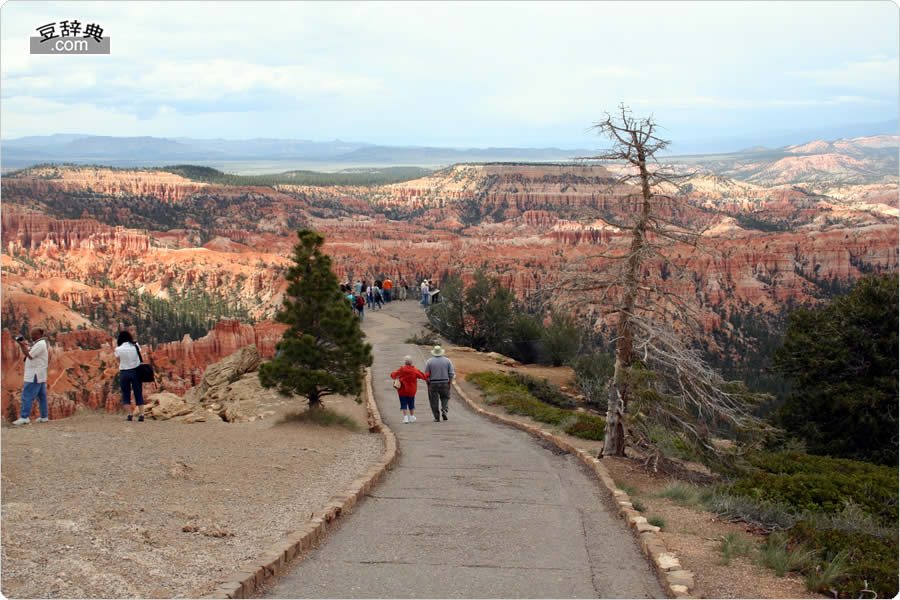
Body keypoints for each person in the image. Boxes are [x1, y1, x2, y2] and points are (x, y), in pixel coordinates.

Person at [13, 328, 50, 425]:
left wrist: (21, 345)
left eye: (33, 335)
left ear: (38, 335)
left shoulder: (40, 344)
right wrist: (23, 345)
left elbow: (29, 355)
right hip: (39, 374)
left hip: (35, 374)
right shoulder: (39, 344)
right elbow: (28, 351)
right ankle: (44, 416)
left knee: (27, 394)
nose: (31, 336)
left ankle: (24, 417)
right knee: (42, 396)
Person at [115, 331, 146, 422]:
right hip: (136, 371)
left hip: (124, 372)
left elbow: (118, 360)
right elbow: (139, 355)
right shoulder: (136, 345)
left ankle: (129, 414)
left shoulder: (118, 349)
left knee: (125, 393)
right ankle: (141, 414)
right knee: (138, 392)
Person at [390, 356, 428, 424]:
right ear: (411, 362)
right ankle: (412, 416)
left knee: (403, 403)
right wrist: (429, 373)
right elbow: (424, 376)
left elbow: (393, 375)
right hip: (411, 390)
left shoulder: (401, 369)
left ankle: (405, 418)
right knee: (411, 402)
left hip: (402, 390)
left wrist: (392, 374)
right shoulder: (415, 370)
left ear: (405, 363)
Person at [424, 345, 455, 422]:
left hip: (433, 383)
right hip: (444, 382)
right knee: (445, 397)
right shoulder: (447, 361)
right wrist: (450, 383)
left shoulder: (429, 361)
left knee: (433, 400)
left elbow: (426, 374)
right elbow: (451, 373)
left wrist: (428, 382)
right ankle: (444, 411)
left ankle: (436, 417)